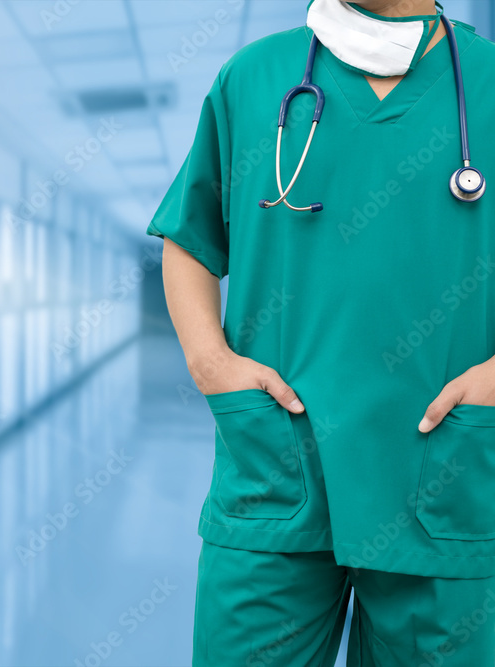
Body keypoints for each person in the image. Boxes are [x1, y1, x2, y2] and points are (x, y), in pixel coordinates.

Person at [150, 0, 495, 664]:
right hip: (278, 474)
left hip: (448, 482)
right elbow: (189, 239)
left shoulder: (485, 82)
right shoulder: (253, 78)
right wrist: (208, 361)